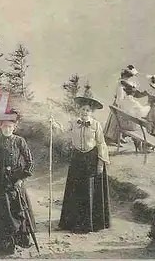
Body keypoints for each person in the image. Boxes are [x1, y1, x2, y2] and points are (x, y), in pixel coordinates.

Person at [0, 110, 36, 258]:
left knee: (18, 210)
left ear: (14, 128)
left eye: (10, 127)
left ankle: (19, 241)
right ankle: (0, 246)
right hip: (1, 180)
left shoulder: (19, 141)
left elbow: (30, 162)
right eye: (4, 126)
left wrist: (21, 179)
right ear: (0, 127)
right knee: (0, 211)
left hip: (17, 180)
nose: (7, 129)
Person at [58, 95, 111, 233]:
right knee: (75, 188)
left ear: (91, 112)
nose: (84, 112)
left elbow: (101, 144)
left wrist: (101, 163)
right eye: (82, 109)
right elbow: (64, 132)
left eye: (87, 110)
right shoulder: (74, 123)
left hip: (91, 159)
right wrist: (54, 125)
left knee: (89, 189)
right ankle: (73, 221)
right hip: (77, 159)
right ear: (79, 110)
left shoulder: (96, 125)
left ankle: (89, 223)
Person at [104, 64, 140, 144]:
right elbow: (119, 96)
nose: (129, 77)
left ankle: (119, 137)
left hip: (124, 103)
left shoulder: (126, 83)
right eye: (129, 76)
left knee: (119, 120)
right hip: (119, 103)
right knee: (116, 120)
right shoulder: (121, 84)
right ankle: (113, 138)